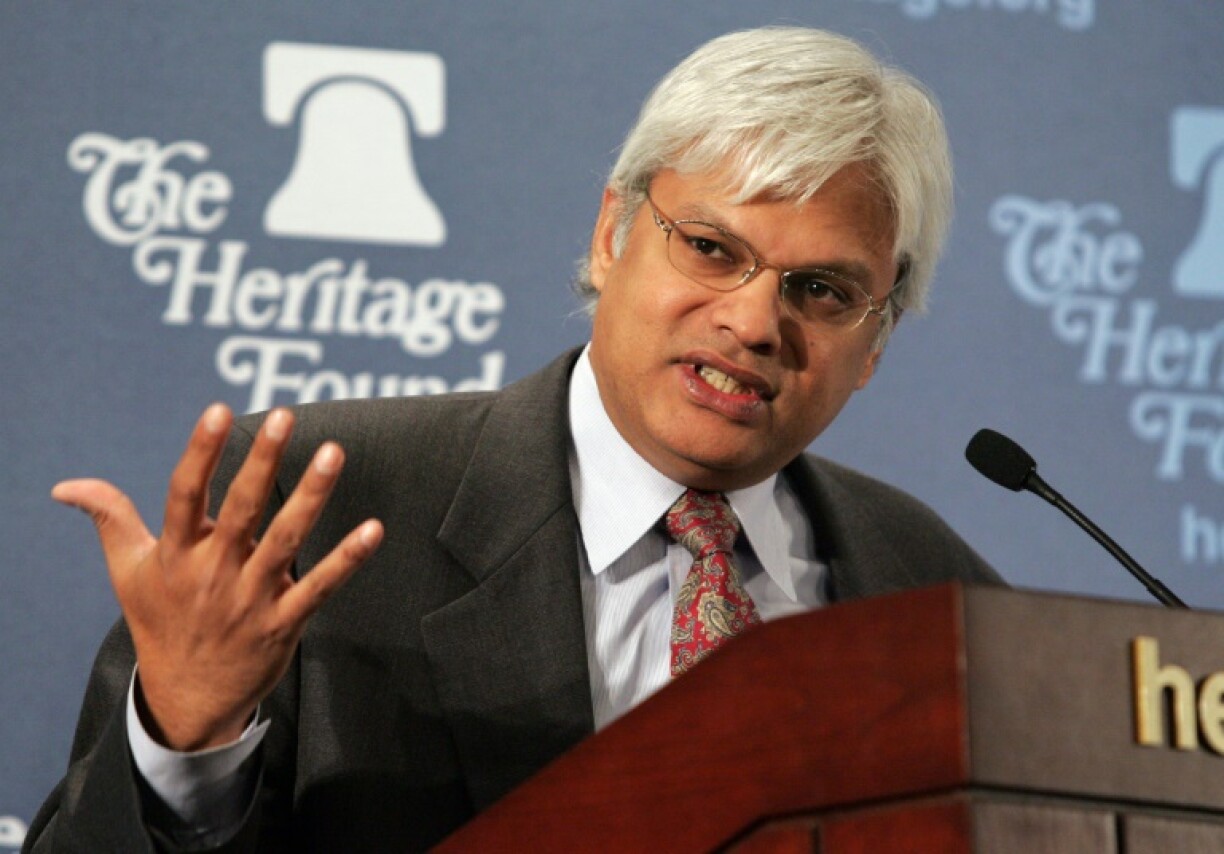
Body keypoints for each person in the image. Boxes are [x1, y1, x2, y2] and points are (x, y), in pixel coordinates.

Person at [25, 26, 1001, 853]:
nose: (752, 321)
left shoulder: (939, 594)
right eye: (710, 247)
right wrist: (186, 735)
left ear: (874, 340)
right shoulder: (323, 509)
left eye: (822, 290)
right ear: (614, 233)